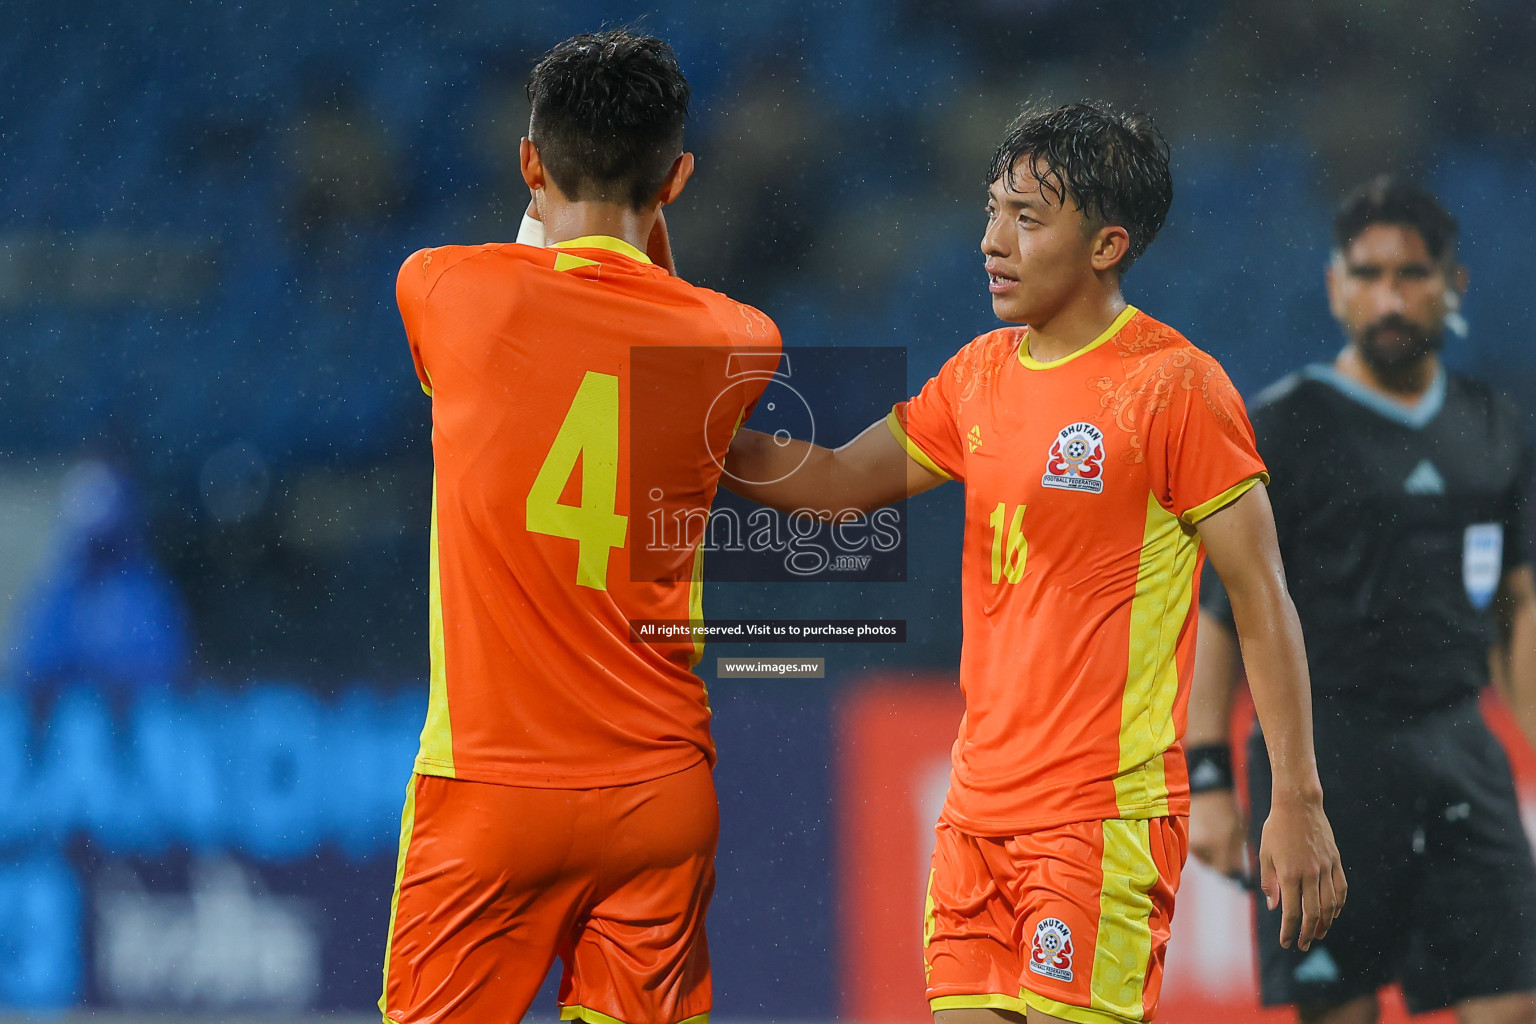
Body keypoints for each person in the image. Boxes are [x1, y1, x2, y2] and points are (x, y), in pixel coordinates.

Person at [723, 101, 1345, 1024]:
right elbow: (834, 482)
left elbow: (1262, 601)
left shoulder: (1174, 388)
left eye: (1025, 217)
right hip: (974, 813)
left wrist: (1295, 798)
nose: (991, 241)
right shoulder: (978, 372)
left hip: (1101, 817)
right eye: (989, 212)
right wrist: (697, 439)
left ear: (1106, 245)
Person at [379, 30, 781, 1024]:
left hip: (490, 793)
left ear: (528, 163)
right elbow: (660, 319)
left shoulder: (440, 287)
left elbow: (536, 297)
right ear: (678, 179)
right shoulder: (739, 339)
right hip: (656, 794)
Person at [1188, 176, 1536, 1024]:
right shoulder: (1282, 425)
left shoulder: (1494, 425)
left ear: (1451, 286)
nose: (1389, 295)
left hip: (1459, 746)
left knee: (1515, 1001)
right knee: (1340, 1011)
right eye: (1368, 273)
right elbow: (1226, 614)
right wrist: (1209, 782)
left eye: (1411, 274)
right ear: (1335, 285)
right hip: (1324, 760)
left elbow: (1516, 607)